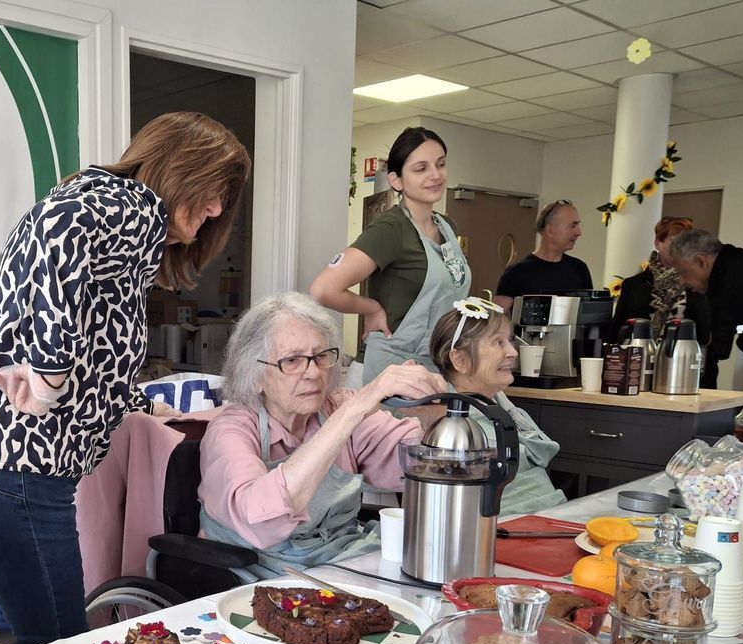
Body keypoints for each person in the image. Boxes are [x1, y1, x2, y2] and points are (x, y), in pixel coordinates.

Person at [0, 111, 251, 644]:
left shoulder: (124, 223)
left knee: (22, 632)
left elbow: (97, 343)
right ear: (182, 169)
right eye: (215, 190)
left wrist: (137, 405)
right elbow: (61, 231)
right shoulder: (134, 206)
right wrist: (49, 371)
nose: (217, 209)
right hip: (14, 464)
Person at [197, 292, 443, 574]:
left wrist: (432, 417)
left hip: (342, 560)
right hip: (257, 574)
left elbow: (422, 466)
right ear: (255, 376)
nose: (314, 372)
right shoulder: (230, 430)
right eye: (292, 361)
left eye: (321, 356)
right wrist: (352, 412)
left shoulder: (336, 406)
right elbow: (261, 523)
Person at [310, 127, 470, 385]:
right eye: (421, 168)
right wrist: (371, 308)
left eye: (440, 164)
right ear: (396, 180)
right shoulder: (391, 229)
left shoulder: (447, 227)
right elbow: (323, 289)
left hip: (432, 368)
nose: (435, 175)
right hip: (386, 371)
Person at [427, 298, 567, 512]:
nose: (513, 352)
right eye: (498, 342)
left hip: (548, 519)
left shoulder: (498, 403)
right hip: (498, 531)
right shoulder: (453, 430)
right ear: (460, 360)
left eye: (509, 341)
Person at [611, 217, 715, 385]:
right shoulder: (635, 284)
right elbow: (618, 328)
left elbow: (718, 323)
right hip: (639, 369)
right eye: (674, 241)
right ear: (658, 242)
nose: (679, 249)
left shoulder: (700, 282)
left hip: (690, 370)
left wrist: (715, 350)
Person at [668, 229, 743, 389]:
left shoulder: (732, 283)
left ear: (701, 261)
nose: (682, 281)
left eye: (683, 272)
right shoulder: (732, 269)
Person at [493, 199, 592, 313]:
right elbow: (495, 321)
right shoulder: (516, 273)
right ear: (550, 229)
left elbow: (589, 314)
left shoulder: (579, 269)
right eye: (572, 226)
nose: (578, 232)